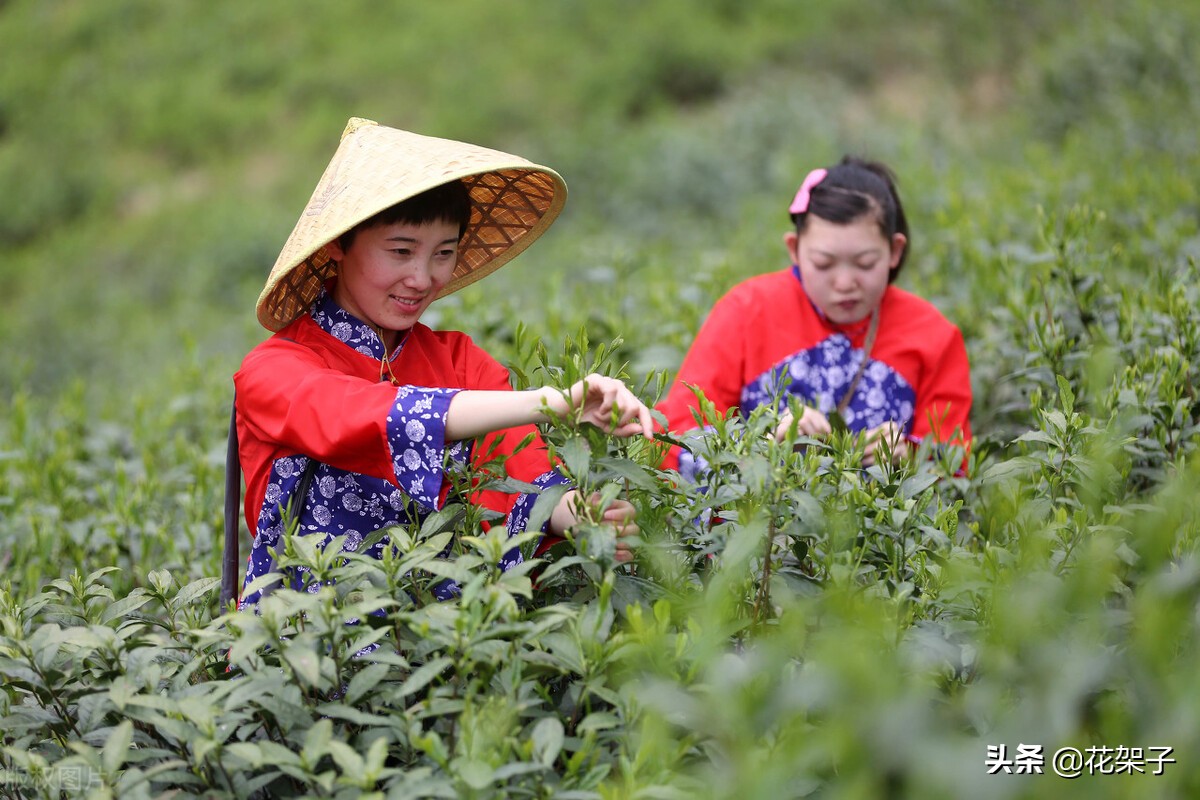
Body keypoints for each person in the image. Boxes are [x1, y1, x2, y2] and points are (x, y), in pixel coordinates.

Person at [234, 117, 653, 608]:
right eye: (401, 251)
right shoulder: (274, 369)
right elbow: (361, 416)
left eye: (443, 253)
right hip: (312, 649)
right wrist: (550, 402)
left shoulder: (460, 361)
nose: (421, 277)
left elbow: (522, 469)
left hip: (446, 640)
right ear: (337, 246)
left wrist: (580, 513)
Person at [657, 156, 972, 480]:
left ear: (894, 251)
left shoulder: (933, 335)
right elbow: (679, 433)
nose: (845, 283)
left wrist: (910, 455)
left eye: (865, 263)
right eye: (824, 264)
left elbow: (957, 463)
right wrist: (765, 442)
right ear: (794, 249)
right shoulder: (746, 312)